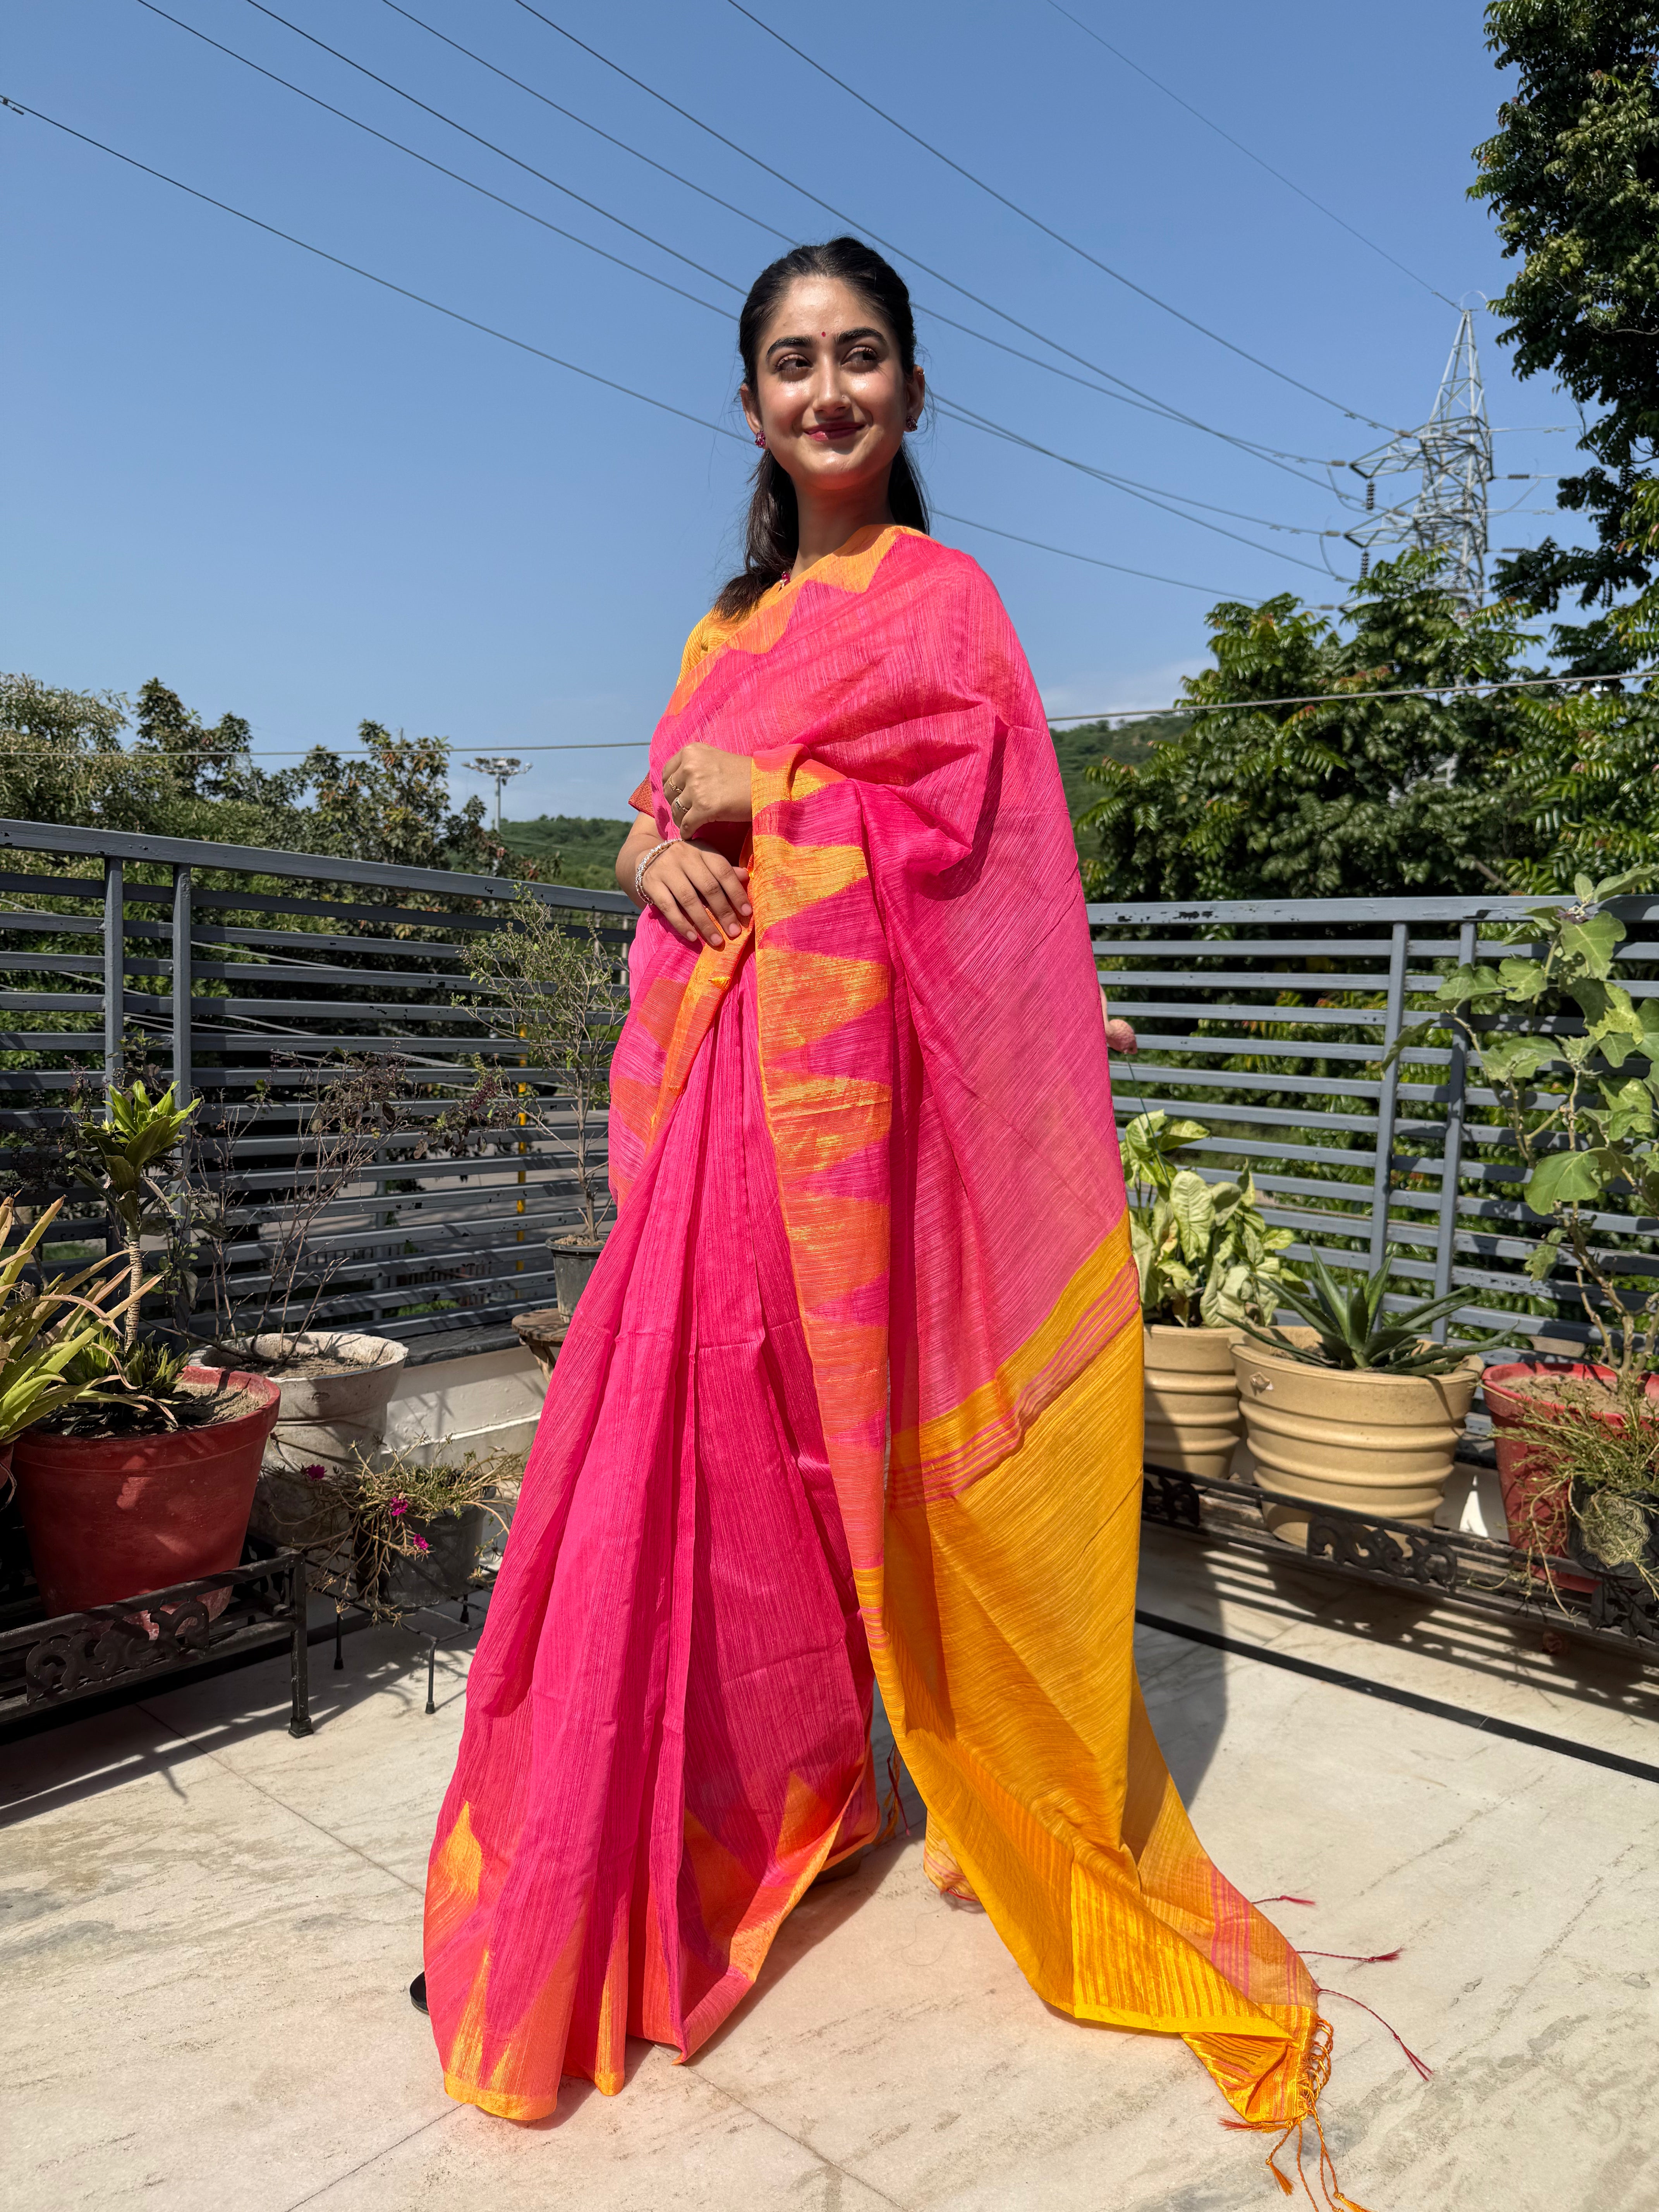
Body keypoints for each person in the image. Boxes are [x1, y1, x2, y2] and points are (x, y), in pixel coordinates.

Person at [417, 237, 1355, 2202]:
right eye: (789, 363)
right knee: (694, 1460)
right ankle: (730, 1807)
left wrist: (779, 796)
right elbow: (669, 819)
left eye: (859, 359)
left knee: (847, 1455)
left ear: (915, 395)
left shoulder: (950, 606)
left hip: (860, 1125)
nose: (826, 391)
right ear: (751, 404)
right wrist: (665, 834)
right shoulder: (722, 624)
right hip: (716, 1111)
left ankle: (937, 1776)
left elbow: (990, 846)